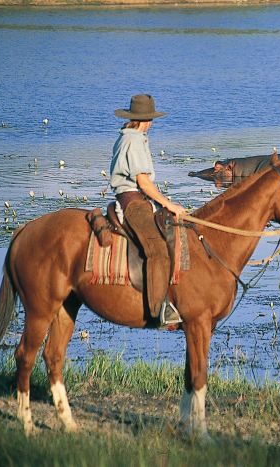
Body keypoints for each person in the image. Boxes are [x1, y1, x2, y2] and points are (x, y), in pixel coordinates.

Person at [109, 94, 185, 321]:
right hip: (133, 202)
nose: (151, 124)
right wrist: (168, 203)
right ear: (144, 120)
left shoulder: (132, 137)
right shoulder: (133, 140)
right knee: (157, 250)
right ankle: (158, 309)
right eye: (150, 119)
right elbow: (142, 181)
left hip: (138, 199)